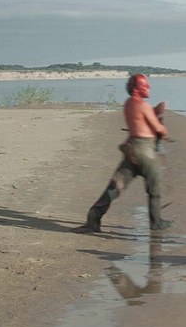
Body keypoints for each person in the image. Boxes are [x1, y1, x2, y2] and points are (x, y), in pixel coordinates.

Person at [74, 73, 174, 233]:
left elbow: (141, 118)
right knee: (154, 189)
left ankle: (93, 218)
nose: (148, 87)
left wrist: (155, 110)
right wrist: (163, 126)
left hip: (131, 149)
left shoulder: (129, 103)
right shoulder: (144, 106)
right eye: (145, 85)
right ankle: (156, 222)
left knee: (116, 186)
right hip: (146, 151)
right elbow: (159, 128)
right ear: (136, 89)